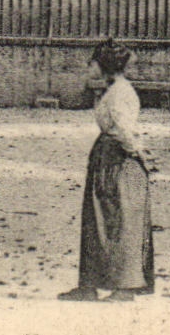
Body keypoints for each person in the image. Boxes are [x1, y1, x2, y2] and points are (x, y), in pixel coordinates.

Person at [60, 38, 155, 302]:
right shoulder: (112, 90)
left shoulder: (121, 93)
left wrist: (139, 153)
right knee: (97, 217)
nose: (89, 68)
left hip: (119, 160)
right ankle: (89, 284)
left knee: (118, 219)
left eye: (92, 64)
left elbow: (124, 130)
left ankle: (125, 286)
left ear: (102, 66)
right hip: (107, 155)